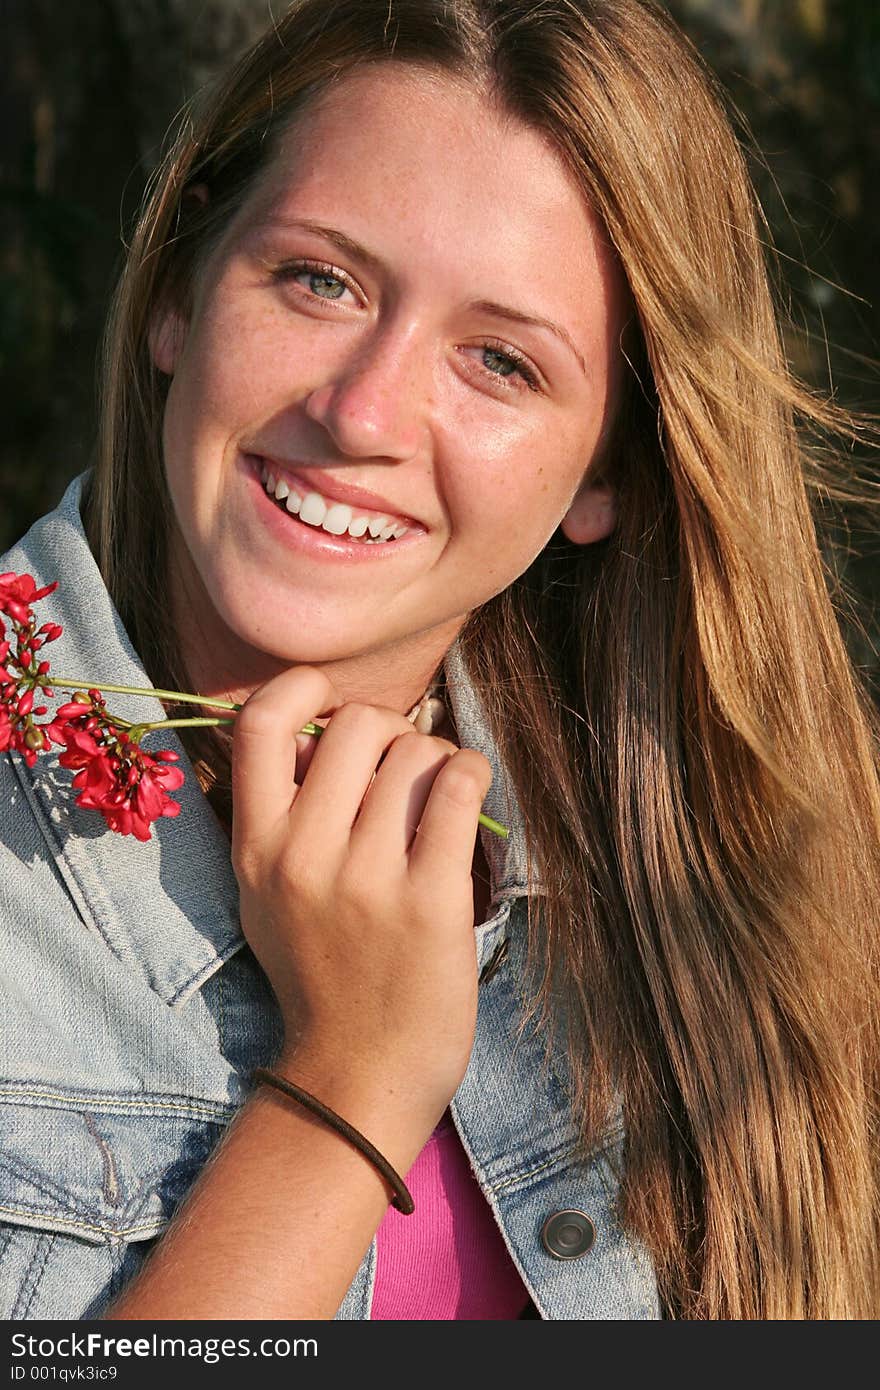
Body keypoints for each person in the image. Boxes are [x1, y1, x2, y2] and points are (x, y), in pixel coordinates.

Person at [1, 0, 878, 1322]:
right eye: (320, 281)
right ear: (180, 291)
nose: (360, 411)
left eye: (499, 360)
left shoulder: (746, 862)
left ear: (608, 469)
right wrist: (348, 1082)